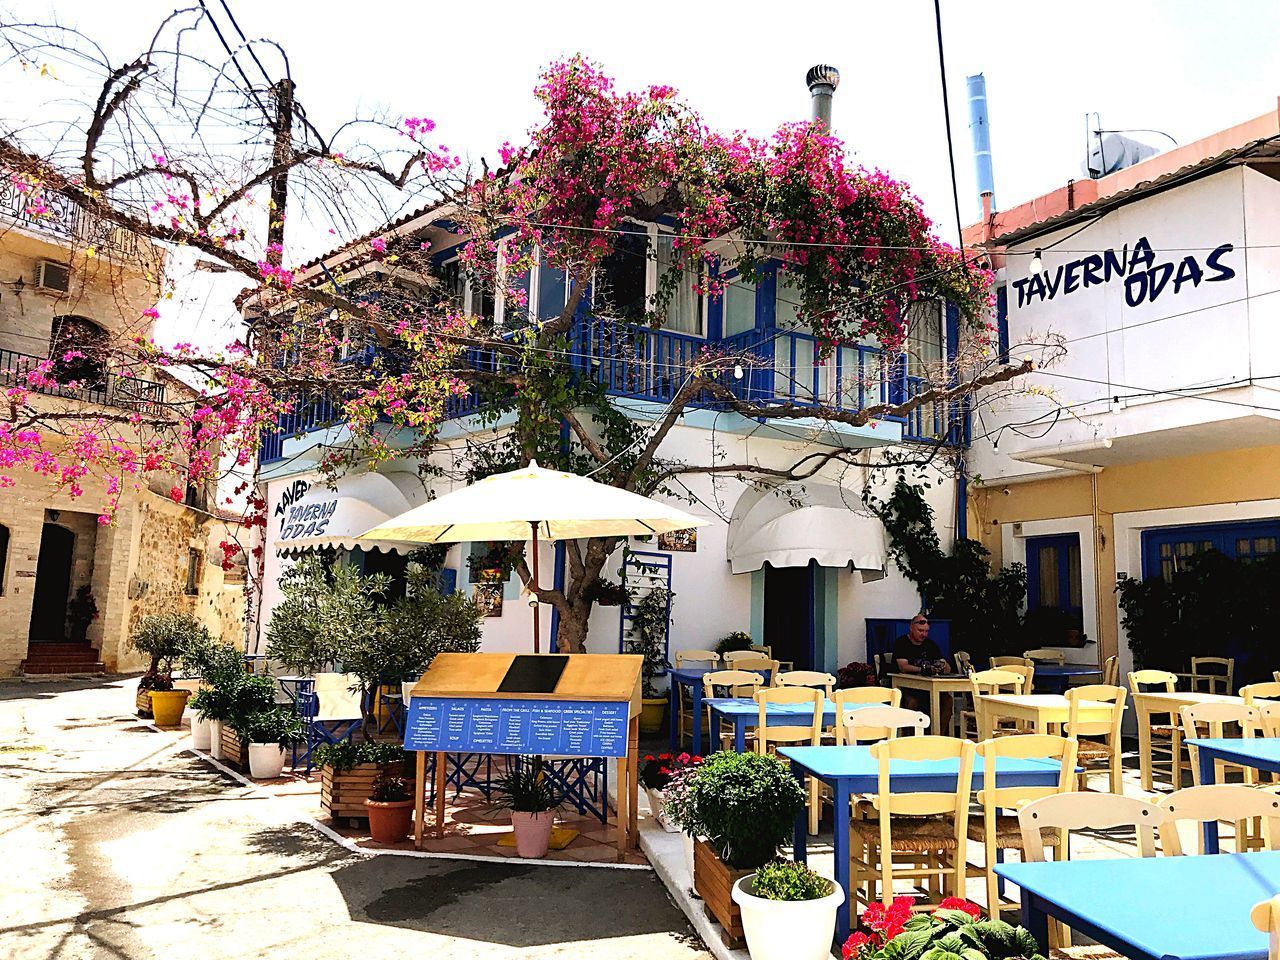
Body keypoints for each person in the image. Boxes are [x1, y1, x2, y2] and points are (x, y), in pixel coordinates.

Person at [892, 613, 952, 731]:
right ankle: (910, 738)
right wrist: (924, 669)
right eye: (920, 630)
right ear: (911, 628)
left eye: (926, 631)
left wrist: (943, 666)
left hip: (930, 688)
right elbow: (903, 667)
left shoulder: (930, 644)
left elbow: (946, 665)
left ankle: (938, 736)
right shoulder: (902, 643)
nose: (923, 634)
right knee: (912, 702)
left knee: (947, 700)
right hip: (908, 687)